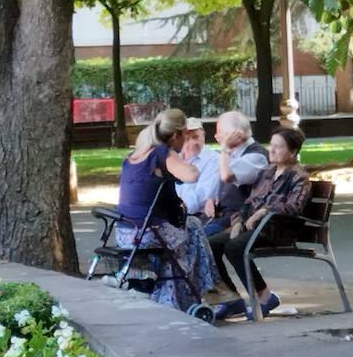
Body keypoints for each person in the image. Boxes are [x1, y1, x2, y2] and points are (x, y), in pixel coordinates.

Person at [114, 108, 219, 313]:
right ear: (175, 136)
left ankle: (169, 298)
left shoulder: (134, 156)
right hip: (147, 232)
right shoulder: (161, 153)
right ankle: (208, 286)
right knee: (194, 228)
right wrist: (185, 161)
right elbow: (191, 175)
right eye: (185, 136)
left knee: (173, 250)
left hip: (124, 231)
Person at [211, 127, 314, 319]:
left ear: (292, 152)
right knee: (211, 245)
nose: (271, 150)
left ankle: (264, 297)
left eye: (279, 147)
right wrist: (239, 221)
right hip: (254, 228)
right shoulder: (267, 171)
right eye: (271, 145)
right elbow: (249, 201)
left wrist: (264, 211)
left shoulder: (299, 177)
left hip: (277, 230)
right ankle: (231, 299)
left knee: (234, 247)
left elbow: (294, 207)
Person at [177, 118, 223, 233]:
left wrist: (177, 210)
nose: (193, 142)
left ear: (204, 135)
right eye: (187, 139)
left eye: (196, 137)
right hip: (175, 215)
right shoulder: (175, 158)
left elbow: (203, 193)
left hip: (198, 218)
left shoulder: (213, 159)